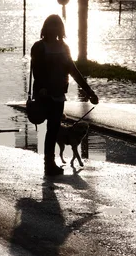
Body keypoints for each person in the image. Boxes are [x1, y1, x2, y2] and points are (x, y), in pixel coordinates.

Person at [30, 14, 99, 176]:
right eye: (50, 25)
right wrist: (41, 88)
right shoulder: (39, 47)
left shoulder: (64, 47)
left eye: (57, 25)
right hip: (44, 94)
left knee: (54, 128)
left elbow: (73, 71)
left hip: (59, 93)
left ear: (61, 29)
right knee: (51, 128)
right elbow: (36, 71)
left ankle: (50, 163)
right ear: (45, 28)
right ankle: (49, 163)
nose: (53, 28)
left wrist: (89, 92)